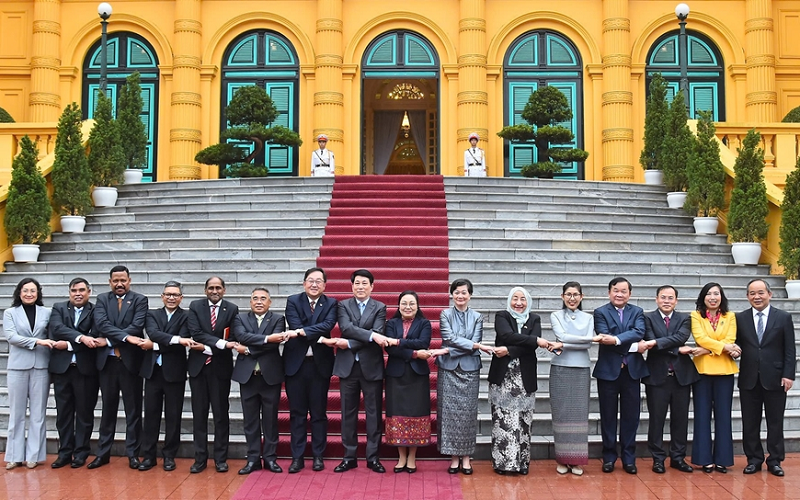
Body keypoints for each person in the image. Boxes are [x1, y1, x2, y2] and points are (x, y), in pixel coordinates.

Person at [89, 265, 149, 470]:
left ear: (129, 281)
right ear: (110, 282)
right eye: (115, 280)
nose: (119, 284)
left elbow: (137, 326)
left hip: (130, 363)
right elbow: (101, 324)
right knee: (108, 410)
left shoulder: (140, 300)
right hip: (107, 364)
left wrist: (108, 340)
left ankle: (133, 454)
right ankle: (103, 454)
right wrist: (123, 338)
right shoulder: (102, 299)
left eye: (123, 280)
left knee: (133, 411)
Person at [430, 278, 492, 475]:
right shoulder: (445, 314)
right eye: (456, 292)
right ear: (452, 294)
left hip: (470, 370)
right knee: (448, 415)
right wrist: (472, 347)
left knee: (467, 415)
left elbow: (475, 341)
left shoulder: (478, 316)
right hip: (448, 370)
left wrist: (448, 351)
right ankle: (453, 458)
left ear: (470, 295)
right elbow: (449, 338)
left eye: (464, 292)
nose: (460, 296)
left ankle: (466, 458)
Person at [331, 269, 389, 473]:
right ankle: (349, 457)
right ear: (352, 285)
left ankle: (373, 457)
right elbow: (346, 328)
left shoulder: (380, 307)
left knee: (373, 414)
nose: (361, 286)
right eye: (357, 283)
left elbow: (379, 332)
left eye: (365, 283)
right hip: (348, 368)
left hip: (371, 367)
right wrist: (370, 336)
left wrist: (349, 343)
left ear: (372, 286)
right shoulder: (343, 305)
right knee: (348, 414)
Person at [736, 279, 796, 477]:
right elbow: (735, 345)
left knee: (775, 421)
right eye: (752, 293)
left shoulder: (783, 317)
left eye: (760, 293)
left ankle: (775, 460)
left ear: (769, 294)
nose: (757, 297)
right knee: (750, 422)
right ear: (747, 297)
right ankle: (754, 459)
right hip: (749, 378)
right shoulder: (741, 318)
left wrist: (788, 374)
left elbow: (790, 349)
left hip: (776, 378)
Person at [487, 287, 548, 475]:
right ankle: (503, 464)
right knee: (504, 420)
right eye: (515, 298)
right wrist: (533, 339)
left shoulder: (534, 318)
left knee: (523, 420)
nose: (519, 303)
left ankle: (522, 463)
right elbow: (506, 336)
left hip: (525, 376)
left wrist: (511, 350)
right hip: (503, 376)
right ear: (509, 300)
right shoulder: (502, 316)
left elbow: (531, 348)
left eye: (523, 299)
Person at [638, 285, 699, 474]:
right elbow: (649, 339)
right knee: (656, 420)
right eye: (663, 297)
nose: (666, 301)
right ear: (656, 299)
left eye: (670, 298)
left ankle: (678, 458)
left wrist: (659, 343)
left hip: (681, 376)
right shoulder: (647, 317)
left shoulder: (685, 318)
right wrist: (676, 348)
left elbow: (680, 337)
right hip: (657, 377)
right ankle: (657, 458)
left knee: (680, 420)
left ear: (676, 301)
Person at [284, 267, 338, 473]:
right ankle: (297, 457)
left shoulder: (332, 303)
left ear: (325, 285)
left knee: (318, 413)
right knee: (297, 413)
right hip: (295, 366)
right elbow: (295, 323)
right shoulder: (293, 301)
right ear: (304, 283)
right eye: (310, 280)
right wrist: (309, 329)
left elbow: (327, 325)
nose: (314, 284)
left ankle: (318, 456)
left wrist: (302, 331)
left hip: (319, 366)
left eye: (318, 281)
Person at [187, 276, 242, 473]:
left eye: (218, 287)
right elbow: (195, 333)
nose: (214, 291)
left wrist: (208, 347)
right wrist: (218, 344)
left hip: (220, 369)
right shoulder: (195, 306)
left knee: (221, 414)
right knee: (199, 414)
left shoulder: (232, 309)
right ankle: (200, 458)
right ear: (205, 290)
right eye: (211, 288)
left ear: (224, 290)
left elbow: (234, 337)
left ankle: (221, 458)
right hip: (198, 369)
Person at [137, 281, 194, 472]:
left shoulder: (187, 317)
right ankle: (149, 456)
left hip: (175, 374)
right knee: (151, 415)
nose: (171, 298)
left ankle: (169, 456)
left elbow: (183, 340)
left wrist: (153, 345)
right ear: (162, 296)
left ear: (181, 298)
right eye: (168, 294)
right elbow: (152, 332)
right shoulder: (152, 314)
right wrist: (174, 339)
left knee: (173, 416)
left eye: (175, 295)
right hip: (153, 373)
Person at [592, 276, 647, 474]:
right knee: (608, 416)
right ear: (609, 292)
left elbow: (639, 332)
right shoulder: (600, 312)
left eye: (624, 291)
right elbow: (603, 336)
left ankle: (629, 458)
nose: (619, 294)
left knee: (631, 417)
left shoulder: (638, 312)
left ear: (629, 294)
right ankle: (608, 457)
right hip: (608, 372)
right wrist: (629, 344)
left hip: (632, 372)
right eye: (616, 290)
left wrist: (615, 340)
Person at [231, 287, 288, 475]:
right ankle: (253, 459)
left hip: (269, 376)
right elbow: (241, 336)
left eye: (263, 298)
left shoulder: (278, 319)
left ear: (269, 302)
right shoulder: (240, 319)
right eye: (255, 298)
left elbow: (274, 344)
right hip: (248, 377)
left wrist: (247, 349)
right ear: (250, 302)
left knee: (270, 420)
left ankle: (270, 458)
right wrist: (266, 338)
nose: (259, 301)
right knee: (250, 421)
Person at [48, 278, 101, 469]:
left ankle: (81, 453)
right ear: (69, 292)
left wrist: (69, 343)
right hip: (62, 370)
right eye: (73, 291)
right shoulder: (58, 308)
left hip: (85, 370)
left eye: (81, 290)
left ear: (89, 291)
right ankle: (64, 453)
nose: (77, 294)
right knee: (63, 414)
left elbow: (95, 335)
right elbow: (56, 328)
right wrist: (80, 338)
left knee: (84, 415)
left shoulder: (96, 310)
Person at [689, 282, 739, 473]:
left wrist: (708, 349)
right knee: (702, 416)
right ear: (703, 297)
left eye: (716, 293)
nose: (712, 297)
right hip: (702, 372)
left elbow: (731, 339)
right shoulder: (695, 316)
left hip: (725, 372)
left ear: (721, 297)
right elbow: (701, 338)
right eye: (708, 294)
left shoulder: (730, 316)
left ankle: (722, 459)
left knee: (723, 416)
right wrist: (724, 348)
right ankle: (704, 459)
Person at [3, 278, 52, 470]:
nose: (29, 294)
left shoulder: (47, 312)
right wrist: (38, 341)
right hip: (17, 367)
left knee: (38, 413)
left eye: (33, 290)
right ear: (19, 292)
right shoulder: (10, 313)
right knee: (17, 413)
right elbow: (12, 337)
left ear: (38, 293)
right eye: (25, 290)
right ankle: (14, 456)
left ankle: (34, 455)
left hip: (41, 366)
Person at [548, 281, 594, 476]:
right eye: (568, 294)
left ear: (581, 297)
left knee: (579, 416)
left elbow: (587, 343)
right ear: (562, 296)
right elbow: (561, 336)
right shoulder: (555, 315)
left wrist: (564, 342)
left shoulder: (589, 317)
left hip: (581, 368)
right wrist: (572, 340)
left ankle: (576, 461)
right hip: (560, 369)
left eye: (576, 294)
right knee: (561, 415)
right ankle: (562, 459)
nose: (572, 298)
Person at [384, 291, 432, 474]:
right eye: (404, 303)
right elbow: (390, 349)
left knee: (416, 413)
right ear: (398, 306)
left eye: (412, 303)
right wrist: (413, 353)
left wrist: (398, 342)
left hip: (417, 375)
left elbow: (423, 342)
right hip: (396, 374)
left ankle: (412, 457)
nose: (408, 307)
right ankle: (401, 456)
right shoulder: (391, 323)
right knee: (397, 413)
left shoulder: (424, 323)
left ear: (418, 306)